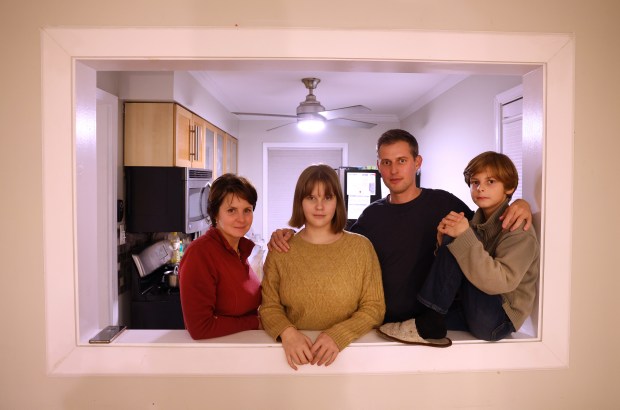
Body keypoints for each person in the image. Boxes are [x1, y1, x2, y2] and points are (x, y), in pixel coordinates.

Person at [269, 129, 532, 341]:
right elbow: (332, 239)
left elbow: (483, 227)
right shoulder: (371, 216)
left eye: (402, 161)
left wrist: (520, 203)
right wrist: (290, 232)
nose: (394, 170)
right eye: (387, 162)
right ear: (379, 167)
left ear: (417, 163)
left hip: (436, 322)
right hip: (388, 326)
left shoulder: (445, 204)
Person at [380, 152, 539, 342]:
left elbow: (500, 282)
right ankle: (429, 320)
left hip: (498, 321)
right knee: (451, 237)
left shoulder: (518, 227)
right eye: (475, 182)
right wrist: (442, 244)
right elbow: (460, 273)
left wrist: (461, 238)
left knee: (456, 238)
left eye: (490, 182)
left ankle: (429, 322)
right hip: (471, 310)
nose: (480, 188)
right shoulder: (474, 222)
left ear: (510, 187)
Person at [260, 164, 385, 370]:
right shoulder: (281, 249)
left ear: (337, 202)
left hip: (351, 356)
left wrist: (338, 335)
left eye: (327, 198)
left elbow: (374, 308)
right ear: (300, 202)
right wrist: (288, 333)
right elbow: (269, 307)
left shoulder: (361, 248)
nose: (319, 206)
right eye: (311, 198)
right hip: (292, 358)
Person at [179, 173, 261, 339]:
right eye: (231, 210)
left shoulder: (240, 250)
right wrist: (256, 323)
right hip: (217, 356)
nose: (241, 219)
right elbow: (200, 328)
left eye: (247, 210)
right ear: (215, 214)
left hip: (241, 350)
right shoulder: (200, 254)